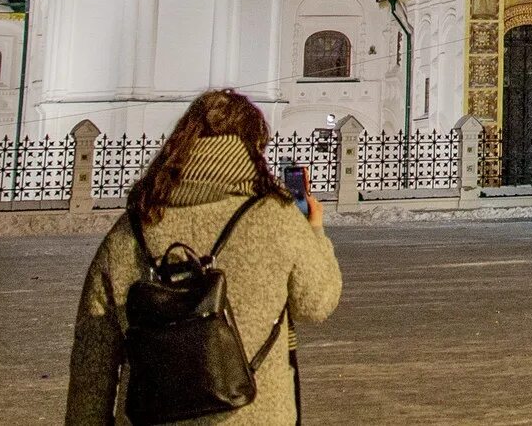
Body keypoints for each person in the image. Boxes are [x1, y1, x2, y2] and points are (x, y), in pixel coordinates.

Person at [66, 89, 341, 426]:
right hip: (254, 416)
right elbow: (316, 302)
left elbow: (93, 356)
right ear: (253, 147)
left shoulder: (134, 226)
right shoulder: (274, 215)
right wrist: (314, 231)